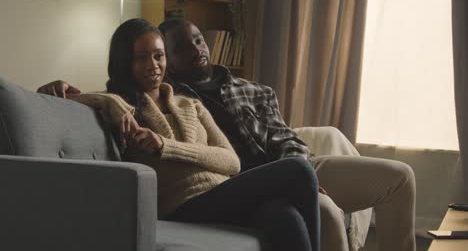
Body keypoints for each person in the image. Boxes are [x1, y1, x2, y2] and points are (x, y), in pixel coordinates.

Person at [39, 18, 416, 251]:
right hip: (180, 206)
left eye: (158, 56)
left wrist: (166, 146)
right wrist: (102, 99)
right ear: (125, 62)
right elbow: (62, 99)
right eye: (142, 57)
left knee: (283, 215)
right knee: (299, 173)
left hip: (221, 192)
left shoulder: (189, 103)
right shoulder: (120, 104)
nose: (153, 66)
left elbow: (230, 161)